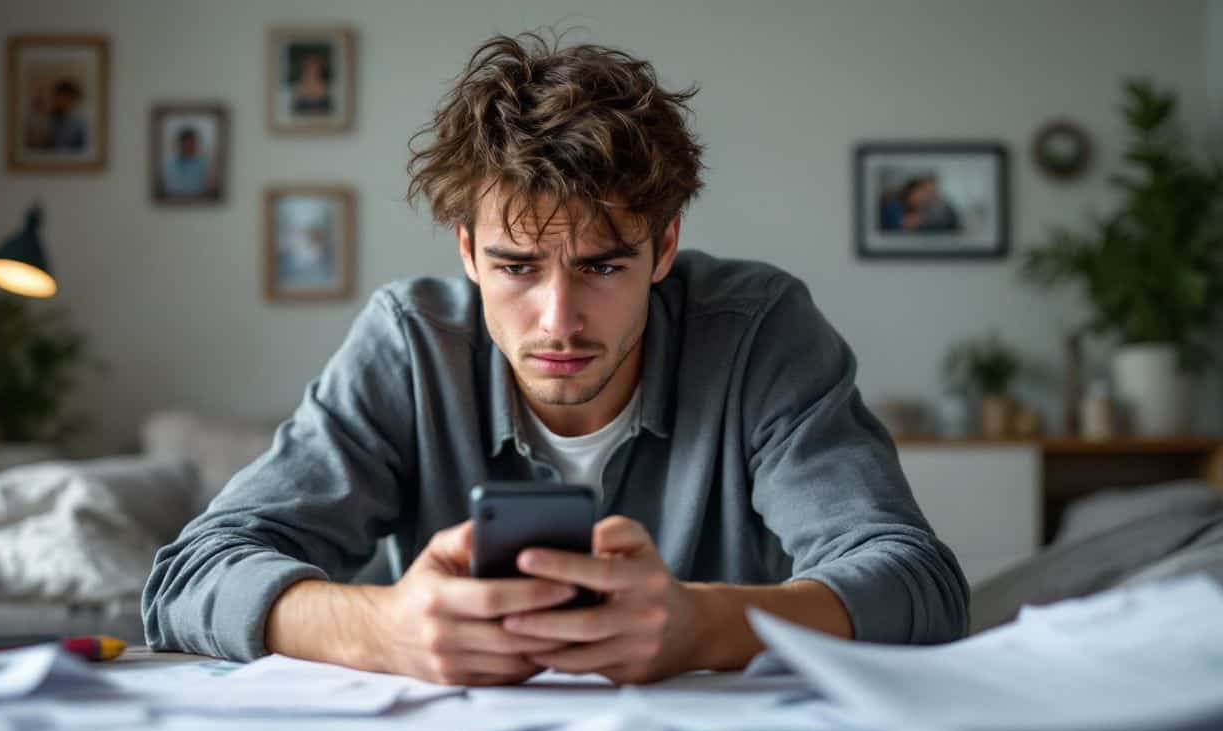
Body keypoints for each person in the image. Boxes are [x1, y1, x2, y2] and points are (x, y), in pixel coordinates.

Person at [143, 31, 969, 686]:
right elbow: (190, 578)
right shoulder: (411, 343)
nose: (559, 320)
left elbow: (917, 582)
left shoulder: (758, 330)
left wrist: (701, 625)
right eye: (516, 267)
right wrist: (384, 628)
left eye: (603, 265)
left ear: (665, 245)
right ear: (467, 252)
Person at [162, 126, 213, 198]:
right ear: (181, 144)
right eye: (188, 143)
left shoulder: (202, 164)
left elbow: (206, 186)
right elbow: (168, 187)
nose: (191, 146)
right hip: (174, 201)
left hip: (198, 202)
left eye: (193, 143)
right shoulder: (170, 163)